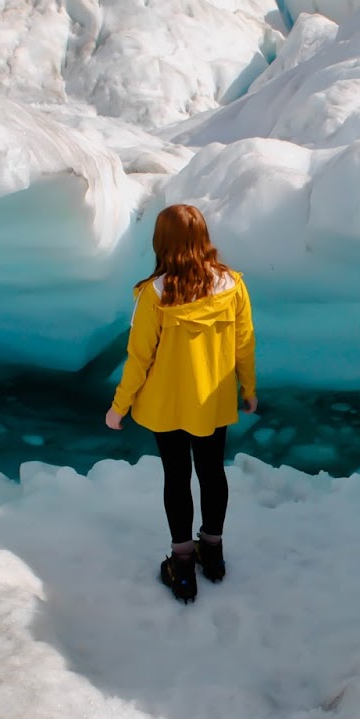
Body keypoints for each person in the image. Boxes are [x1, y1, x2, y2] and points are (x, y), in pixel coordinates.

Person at [105, 203, 257, 603]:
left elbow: (140, 357)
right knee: (212, 472)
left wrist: (119, 405)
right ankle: (214, 553)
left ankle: (183, 566)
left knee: (177, 477)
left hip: (166, 403)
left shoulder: (154, 293)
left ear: (162, 241)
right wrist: (248, 388)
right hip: (213, 401)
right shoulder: (233, 285)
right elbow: (244, 343)